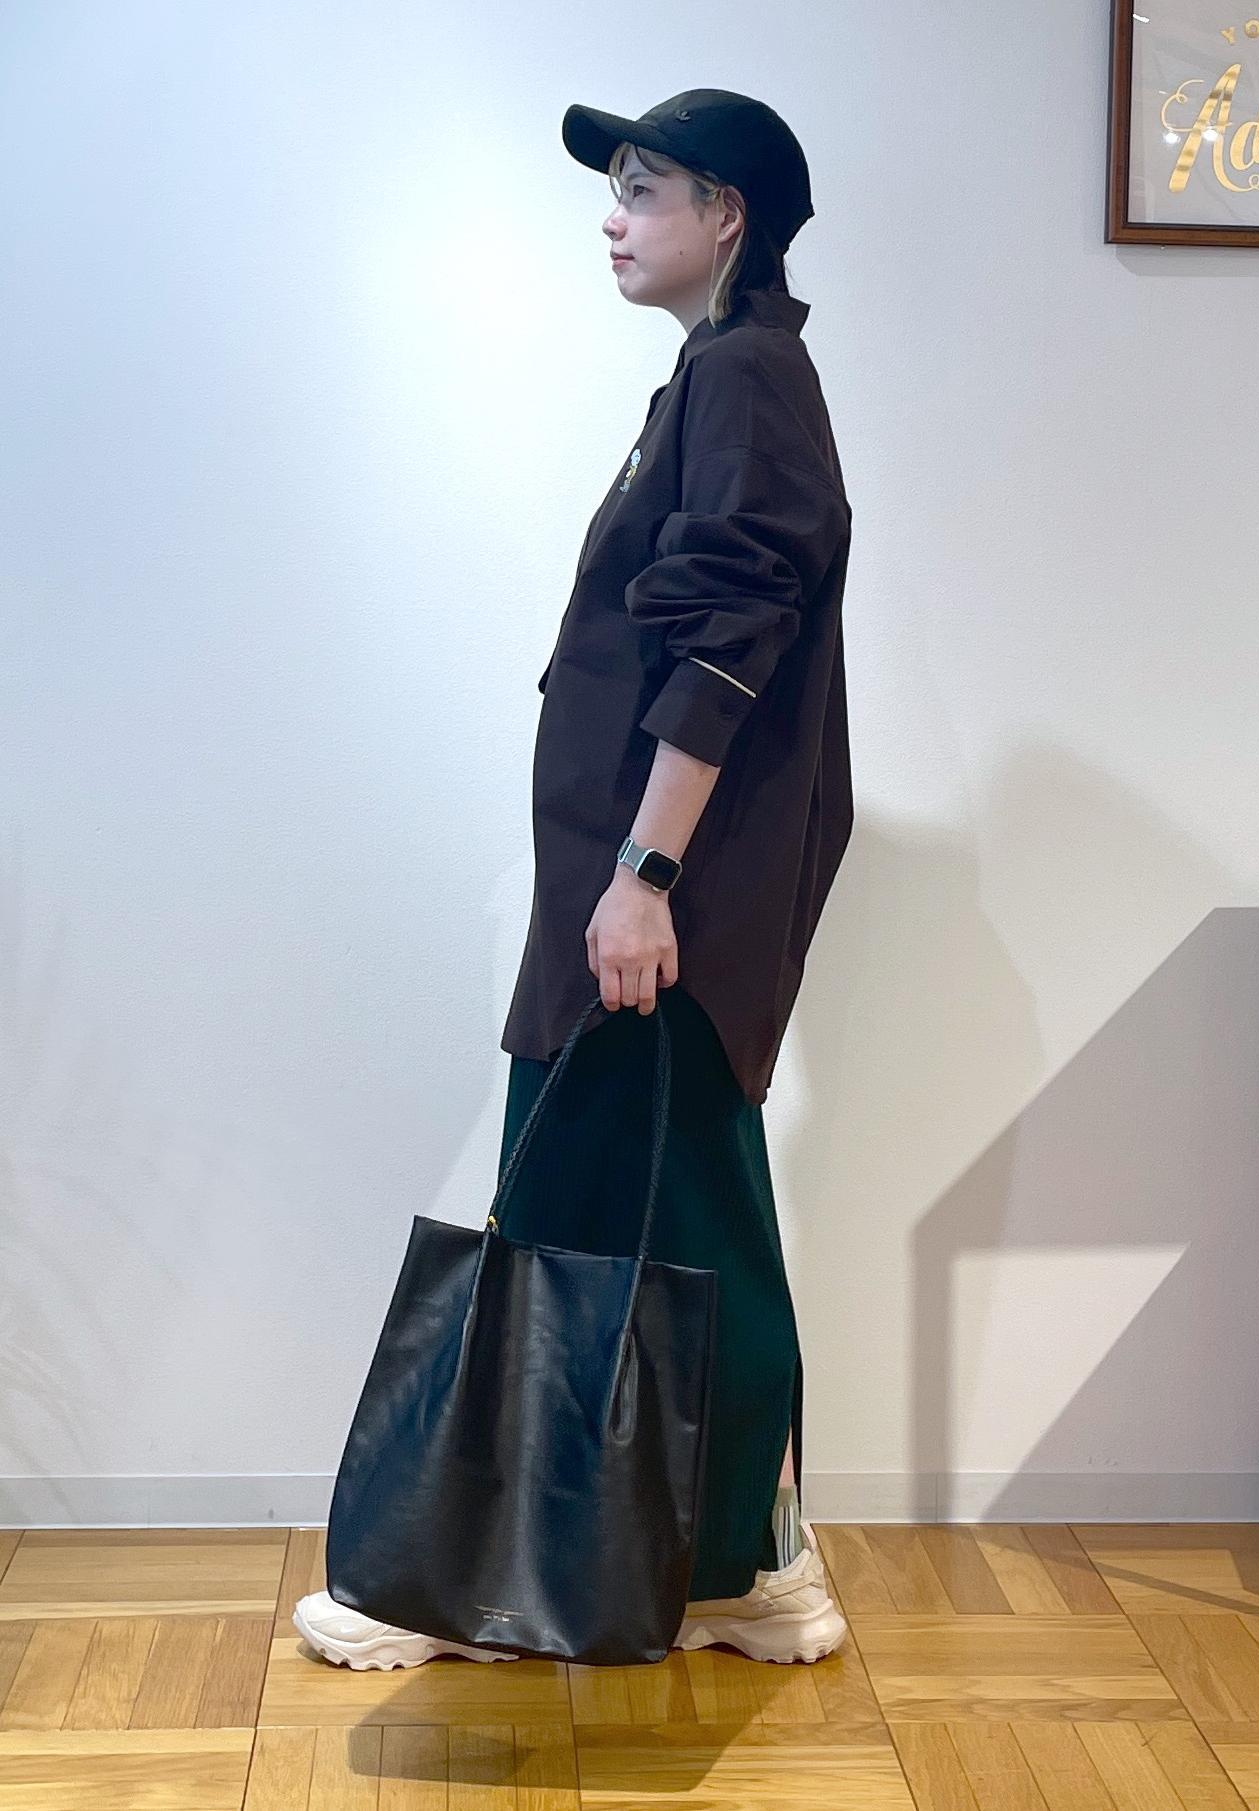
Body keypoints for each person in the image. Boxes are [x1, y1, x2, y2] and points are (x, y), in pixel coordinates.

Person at [294, 88, 853, 1671]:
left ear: (726, 214)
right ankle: (696, 1566)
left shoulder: (745, 377)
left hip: (662, 902)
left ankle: (563, 1575)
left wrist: (647, 874)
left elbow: (730, 637)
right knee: (653, 1214)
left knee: (622, 1212)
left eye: (645, 187)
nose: (613, 216)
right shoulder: (718, 374)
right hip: (638, 896)